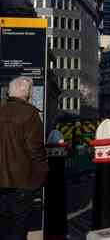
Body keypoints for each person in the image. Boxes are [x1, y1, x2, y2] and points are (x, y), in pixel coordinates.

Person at [0, 77, 49, 239]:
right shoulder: (30, 114)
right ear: (28, 93)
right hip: (22, 181)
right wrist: (42, 175)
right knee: (18, 226)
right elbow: (35, 149)